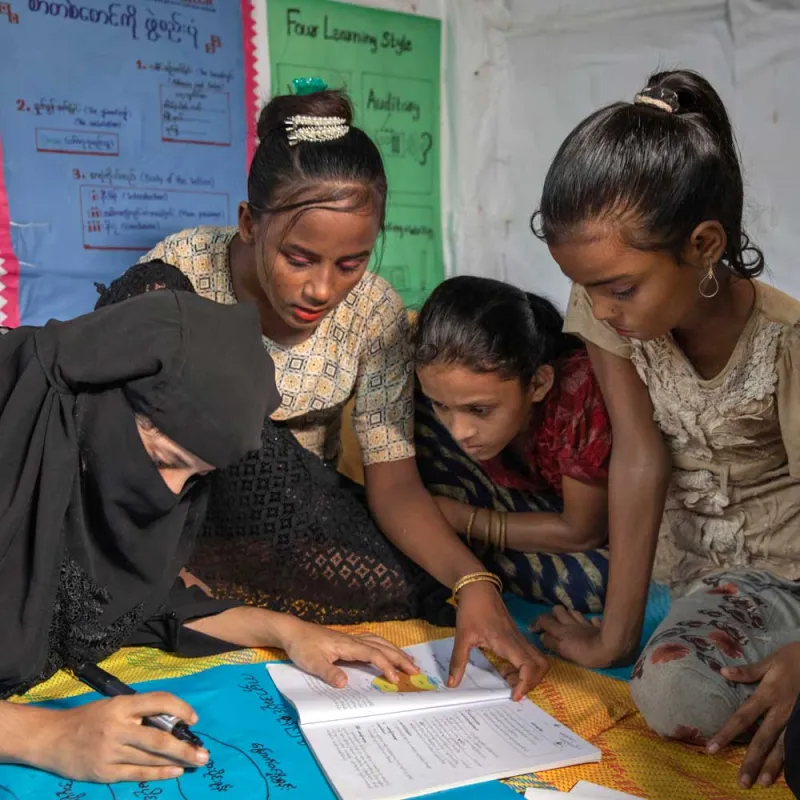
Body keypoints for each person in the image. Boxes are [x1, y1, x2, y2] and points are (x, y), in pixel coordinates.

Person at [137, 82, 545, 696]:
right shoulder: (183, 271)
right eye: (299, 258)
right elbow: (124, 438)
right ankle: (188, 589)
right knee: (246, 427)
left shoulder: (374, 314)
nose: (323, 289)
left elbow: (393, 479)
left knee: (430, 587)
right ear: (249, 224)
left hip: (298, 522)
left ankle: (232, 595)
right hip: (176, 509)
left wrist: (475, 584)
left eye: (351, 263)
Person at [0, 288, 419, 784]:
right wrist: (45, 736)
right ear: (97, 404)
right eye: (161, 460)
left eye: (195, 477)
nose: (168, 493)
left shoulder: (80, 473)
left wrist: (286, 631)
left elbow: (132, 603)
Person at [533, 68, 800, 789]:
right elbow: (639, 458)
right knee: (545, 588)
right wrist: (612, 638)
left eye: (618, 288)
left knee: (675, 691)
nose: (600, 308)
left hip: (783, 575)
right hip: (686, 567)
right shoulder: (612, 302)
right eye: (584, 286)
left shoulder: (786, 340)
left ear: (705, 245)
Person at [413, 276, 611, 612]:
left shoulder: (578, 396)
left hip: (578, 525)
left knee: (593, 582)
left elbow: (583, 532)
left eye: (479, 410)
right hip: (517, 509)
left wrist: (465, 521)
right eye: (442, 405)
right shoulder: (435, 397)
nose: (460, 431)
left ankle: (453, 552)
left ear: (538, 383)